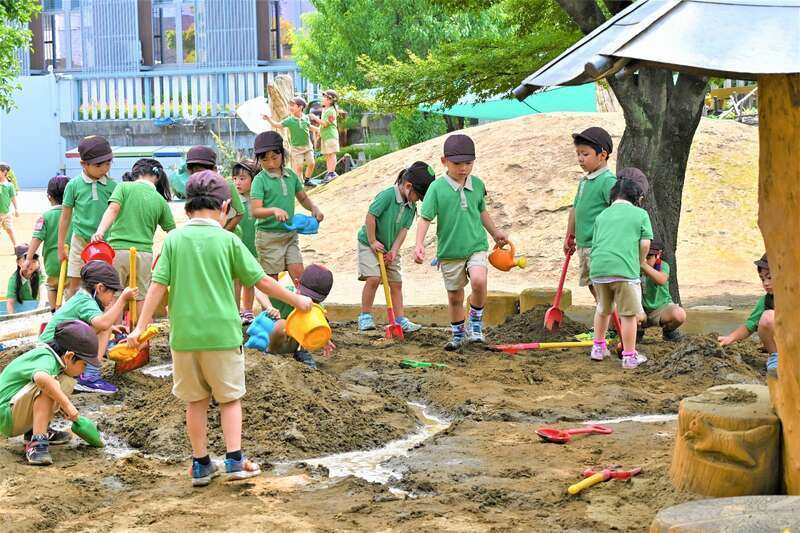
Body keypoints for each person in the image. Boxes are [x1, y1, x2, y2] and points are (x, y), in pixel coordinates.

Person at [126, 170, 312, 486]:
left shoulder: (173, 240)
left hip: (183, 337)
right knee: (229, 399)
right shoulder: (229, 240)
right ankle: (235, 460)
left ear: (187, 207)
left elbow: (157, 287)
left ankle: (200, 465)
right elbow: (262, 281)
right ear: (224, 206)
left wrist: (139, 328)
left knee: (195, 401)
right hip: (222, 336)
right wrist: (297, 300)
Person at [414, 134, 508, 351]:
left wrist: (495, 234)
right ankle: (457, 334)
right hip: (449, 252)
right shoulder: (436, 189)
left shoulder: (477, 184)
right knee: (455, 297)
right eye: (457, 164)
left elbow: (481, 212)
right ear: (444, 161)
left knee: (478, 281)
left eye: (469, 163)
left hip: (476, 246)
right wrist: (419, 244)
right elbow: (425, 218)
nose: (463, 168)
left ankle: (475, 323)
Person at [0, 320, 102, 465]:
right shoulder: (45, 357)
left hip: (14, 410)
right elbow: (41, 379)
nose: (84, 370)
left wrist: (59, 405)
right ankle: (37, 444)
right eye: (84, 364)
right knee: (50, 384)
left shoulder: (57, 362)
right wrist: (67, 405)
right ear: (69, 356)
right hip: (6, 417)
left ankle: (37, 431)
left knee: (65, 381)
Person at [358, 161, 434, 333]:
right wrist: (372, 241)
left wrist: (393, 251)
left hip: (391, 246)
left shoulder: (411, 206)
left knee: (396, 283)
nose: (418, 201)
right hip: (369, 242)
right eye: (418, 196)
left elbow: (403, 230)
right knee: (374, 279)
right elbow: (371, 217)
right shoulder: (387, 196)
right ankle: (365, 316)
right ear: (408, 186)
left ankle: (400, 319)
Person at [39, 261, 137, 394]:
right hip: (52, 350)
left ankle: (84, 373)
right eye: (112, 293)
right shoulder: (86, 301)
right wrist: (123, 299)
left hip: (51, 345)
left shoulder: (83, 296)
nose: (112, 298)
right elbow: (103, 324)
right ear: (100, 288)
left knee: (106, 327)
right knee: (105, 327)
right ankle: (89, 376)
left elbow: (89, 323)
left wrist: (112, 327)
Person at [588, 169, 653, 369]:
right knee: (628, 315)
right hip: (624, 270)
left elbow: (596, 241)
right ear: (638, 197)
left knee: (603, 308)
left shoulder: (602, 215)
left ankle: (598, 348)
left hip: (598, 269)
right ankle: (629, 356)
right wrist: (640, 262)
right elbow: (645, 243)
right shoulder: (640, 214)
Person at [90, 158, 176, 303]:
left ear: (135, 173)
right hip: (144, 254)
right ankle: (140, 326)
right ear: (157, 176)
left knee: (113, 296)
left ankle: (114, 326)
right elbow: (172, 232)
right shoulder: (160, 200)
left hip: (118, 251)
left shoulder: (124, 187)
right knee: (141, 296)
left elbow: (113, 209)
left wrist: (100, 231)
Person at [250, 131, 324, 287]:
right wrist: (273, 210)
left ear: (282, 155)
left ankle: (303, 309)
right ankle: (270, 311)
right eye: (264, 159)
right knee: (271, 282)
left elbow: (303, 198)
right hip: (268, 237)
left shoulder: (291, 175)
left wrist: (314, 208)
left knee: (299, 276)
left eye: (274, 158)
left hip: (290, 234)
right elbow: (255, 211)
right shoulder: (259, 180)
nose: (270, 163)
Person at [58, 136, 118, 295]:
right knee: (75, 283)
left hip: (106, 242)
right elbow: (65, 218)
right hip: (80, 240)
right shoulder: (73, 185)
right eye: (99, 165)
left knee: (106, 283)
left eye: (107, 164)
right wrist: (60, 246)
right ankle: (72, 316)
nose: (104, 169)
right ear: (83, 164)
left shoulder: (113, 186)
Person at [563, 127, 617, 300]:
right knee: (591, 284)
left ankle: (610, 322)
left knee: (603, 285)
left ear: (602, 155)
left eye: (585, 154)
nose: (580, 159)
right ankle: (604, 319)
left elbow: (617, 212)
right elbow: (575, 209)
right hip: (583, 244)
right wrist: (569, 235)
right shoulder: (584, 181)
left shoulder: (608, 181)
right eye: (578, 154)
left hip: (599, 246)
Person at [264, 264, 336, 369]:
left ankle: (301, 352)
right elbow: (260, 291)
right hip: (272, 339)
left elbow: (318, 324)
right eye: (306, 296)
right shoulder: (285, 294)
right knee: (282, 324)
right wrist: (269, 307)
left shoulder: (316, 308)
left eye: (316, 300)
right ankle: (270, 353)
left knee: (307, 325)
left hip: (295, 343)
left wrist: (324, 339)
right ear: (297, 284)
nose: (311, 302)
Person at [719, 254, 776, 373]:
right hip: (781, 345)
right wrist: (730, 338)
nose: (765, 283)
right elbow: (750, 325)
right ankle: (776, 358)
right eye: (762, 279)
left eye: (770, 277)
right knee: (768, 317)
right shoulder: (766, 301)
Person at [25, 176, 72, 310]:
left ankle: (54, 312)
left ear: (49, 197)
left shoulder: (45, 217)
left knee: (52, 287)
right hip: (74, 263)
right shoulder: (76, 214)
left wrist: (29, 258)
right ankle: (71, 316)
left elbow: (36, 238)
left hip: (53, 263)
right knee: (72, 289)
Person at [232, 159, 270, 324]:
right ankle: (235, 311)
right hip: (237, 249)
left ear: (254, 179)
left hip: (255, 248)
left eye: (242, 178)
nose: (237, 183)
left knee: (249, 282)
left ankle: (247, 311)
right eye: (235, 179)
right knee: (236, 282)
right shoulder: (234, 202)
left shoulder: (259, 201)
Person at [184, 145, 245, 233]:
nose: (197, 176)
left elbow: (240, 213)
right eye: (192, 171)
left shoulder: (227, 184)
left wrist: (222, 233)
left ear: (215, 169)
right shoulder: (191, 187)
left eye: (201, 171)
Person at [263, 97, 320, 187]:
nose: (290, 107)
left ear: (300, 107)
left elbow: (309, 127)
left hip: (307, 146)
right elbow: (277, 125)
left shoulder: (305, 118)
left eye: (293, 105)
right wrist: (268, 119)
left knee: (311, 163)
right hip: (296, 148)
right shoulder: (289, 120)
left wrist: (318, 129)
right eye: (290, 105)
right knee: (299, 166)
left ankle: (307, 180)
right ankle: (299, 184)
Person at [639, 239, 686, 341]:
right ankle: (638, 331)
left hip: (660, 308)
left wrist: (643, 265)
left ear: (658, 255)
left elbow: (661, 280)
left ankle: (668, 331)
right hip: (640, 309)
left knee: (679, 315)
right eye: (643, 256)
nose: (646, 260)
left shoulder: (662, 265)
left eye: (649, 257)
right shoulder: (634, 266)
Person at [313, 90, 340, 183]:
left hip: (330, 135)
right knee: (328, 155)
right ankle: (329, 173)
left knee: (332, 154)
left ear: (330, 100)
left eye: (324, 97)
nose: (322, 99)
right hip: (325, 136)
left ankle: (332, 173)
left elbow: (325, 124)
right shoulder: (325, 110)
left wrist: (315, 118)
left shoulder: (331, 111)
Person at [7, 244, 41, 315]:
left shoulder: (40, 275)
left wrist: (40, 308)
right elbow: (10, 304)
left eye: (34, 260)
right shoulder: (14, 280)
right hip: (22, 312)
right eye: (26, 259)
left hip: (37, 310)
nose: (30, 263)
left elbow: (44, 292)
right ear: (18, 262)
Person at [0, 161, 19, 253]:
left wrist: (16, 209)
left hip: (6, 213)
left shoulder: (9, 185)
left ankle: (16, 247)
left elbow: (13, 197)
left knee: (10, 230)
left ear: (4, 172)